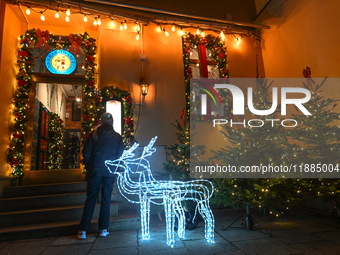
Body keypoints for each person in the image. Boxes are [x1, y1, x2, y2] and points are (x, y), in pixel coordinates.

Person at [77, 113, 125, 239]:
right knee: (106, 199)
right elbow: (120, 154)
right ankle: (103, 229)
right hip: (109, 172)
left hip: (95, 170)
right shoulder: (117, 137)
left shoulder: (93, 135)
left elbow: (86, 152)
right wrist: (114, 167)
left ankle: (83, 231)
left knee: (90, 199)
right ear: (112, 123)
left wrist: (89, 165)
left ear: (101, 123)